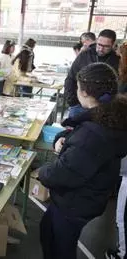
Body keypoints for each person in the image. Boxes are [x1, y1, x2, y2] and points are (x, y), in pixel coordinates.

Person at [38, 62, 127, 259]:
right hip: (86, 197)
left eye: (77, 87)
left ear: (85, 92)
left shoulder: (93, 134)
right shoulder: (110, 114)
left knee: (60, 247)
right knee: (48, 231)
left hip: (75, 203)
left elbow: (62, 174)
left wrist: (41, 171)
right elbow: (76, 134)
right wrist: (63, 140)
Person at [64, 29, 120, 118]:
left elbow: (118, 86)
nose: (101, 49)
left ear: (113, 45)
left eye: (106, 46)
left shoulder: (117, 60)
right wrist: (72, 102)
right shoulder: (84, 55)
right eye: (99, 44)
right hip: (79, 105)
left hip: (105, 108)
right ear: (97, 40)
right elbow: (70, 78)